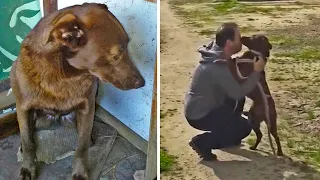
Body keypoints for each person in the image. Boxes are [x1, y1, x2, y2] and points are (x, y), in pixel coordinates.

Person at [184, 22, 266, 161]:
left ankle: (227, 134)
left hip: (204, 105)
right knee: (244, 128)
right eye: (239, 37)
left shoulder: (217, 52)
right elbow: (238, 92)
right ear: (229, 43)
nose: (242, 39)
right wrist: (256, 72)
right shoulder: (217, 66)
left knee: (237, 103)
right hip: (199, 114)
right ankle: (202, 142)